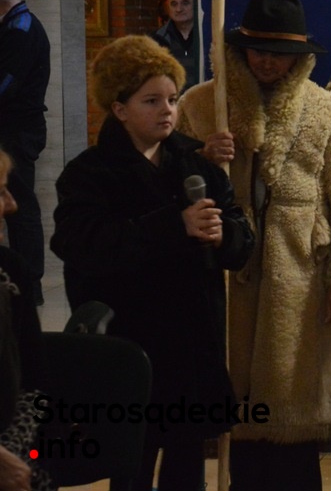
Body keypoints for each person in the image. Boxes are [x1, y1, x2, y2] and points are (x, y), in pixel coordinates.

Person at [176, 0, 331, 490]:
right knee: (238, 412)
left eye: (279, 52)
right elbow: (168, 180)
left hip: (300, 275)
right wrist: (202, 156)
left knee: (294, 412)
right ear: (240, 49)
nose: (267, 61)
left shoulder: (326, 111)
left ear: (299, 56)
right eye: (258, 49)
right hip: (227, 276)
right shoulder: (201, 104)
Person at [50, 36, 254, 491]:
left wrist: (226, 235)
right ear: (119, 109)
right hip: (131, 348)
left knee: (186, 469)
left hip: (190, 348)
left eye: (173, 99)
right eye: (151, 101)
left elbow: (242, 240)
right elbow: (82, 244)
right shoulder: (89, 174)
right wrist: (171, 225)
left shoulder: (196, 167)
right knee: (132, 467)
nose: (167, 110)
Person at [0, 147, 52, 491]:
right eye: (0, 192)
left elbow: (34, 382)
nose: (12, 204)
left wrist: (13, 450)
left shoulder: (10, 271)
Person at [0, 0, 50, 306]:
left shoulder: (21, 29)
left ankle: (29, 285)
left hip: (17, 130)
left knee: (20, 207)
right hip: (14, 127)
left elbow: (5, 83)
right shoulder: (15, 25)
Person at [150, 0, 199, 90]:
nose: (179, 9)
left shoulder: (208, 37)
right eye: (174, 4)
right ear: (168, 8)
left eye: (185, 3)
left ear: (195, 5)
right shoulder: (156, 40)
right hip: (172, 98)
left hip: (202, 98)